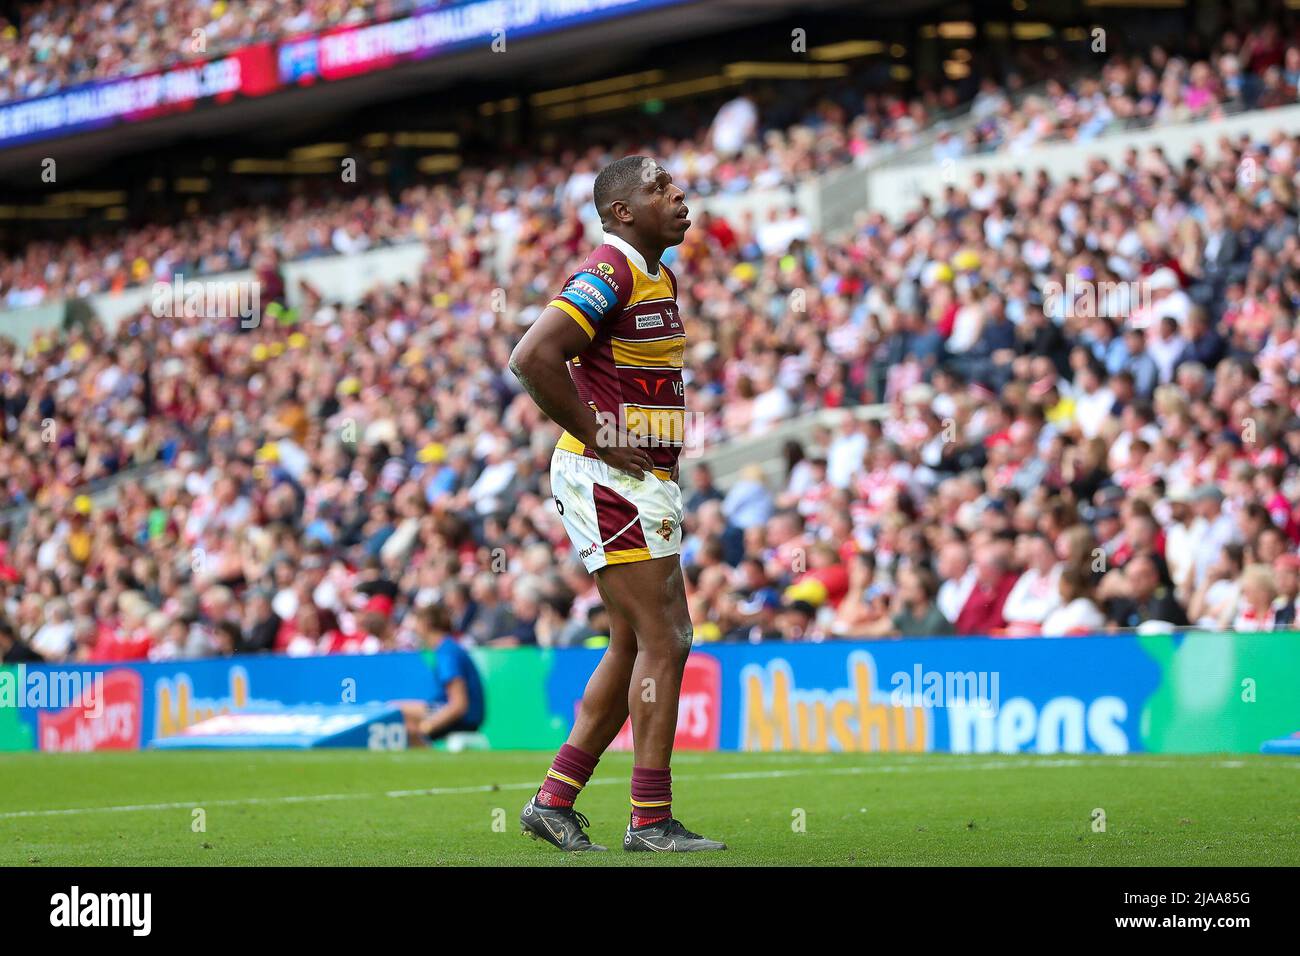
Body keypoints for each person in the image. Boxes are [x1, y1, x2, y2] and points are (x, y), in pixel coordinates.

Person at [508, 155, 725, 852]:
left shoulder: (653, 271)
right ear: (623, 211)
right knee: (669, 638)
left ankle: (554, 800)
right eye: (661, 188)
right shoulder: (612, 270)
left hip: (638, 477)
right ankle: (650, 819)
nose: (679, 194)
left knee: (634, 641)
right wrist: (599, 432)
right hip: (610, 478)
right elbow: (533, 355)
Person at [399, 604, 485, 744]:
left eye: (417, 623)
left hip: (463, 719)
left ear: (426, 624)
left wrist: (427, 727)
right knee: (395, 709)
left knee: (398, 716)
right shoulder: (447, 649)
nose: (414, 629)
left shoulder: (447, 653)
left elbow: (458, 705)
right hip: (462, 714)